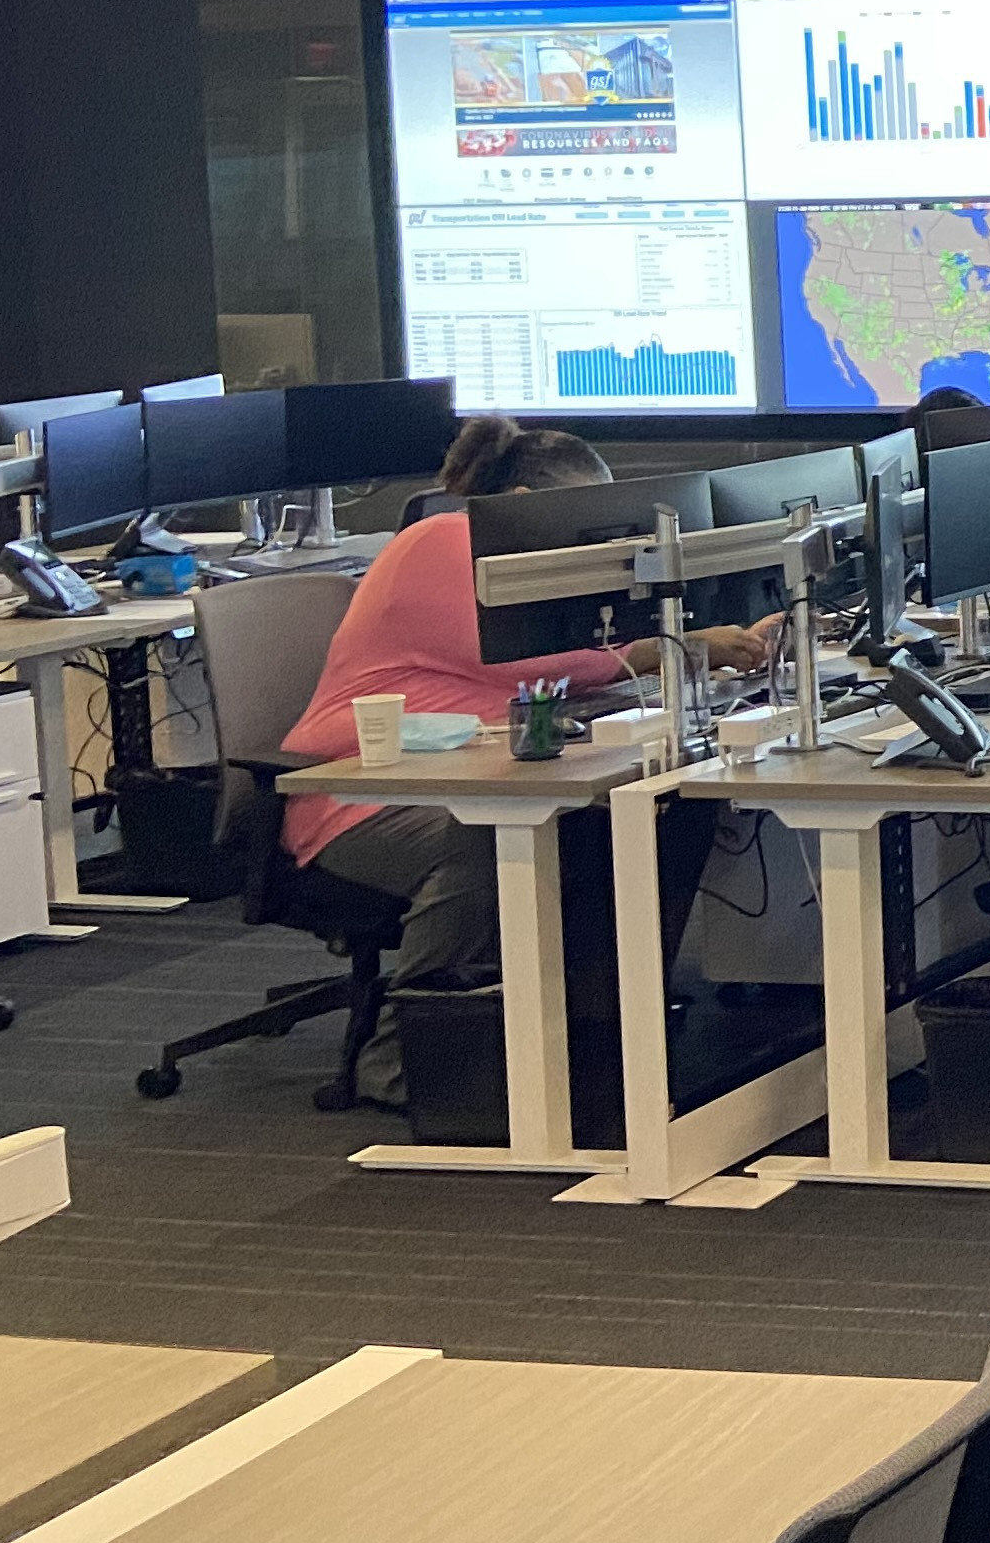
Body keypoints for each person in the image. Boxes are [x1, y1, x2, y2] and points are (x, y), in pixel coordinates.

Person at [278, 418, 776, 1103]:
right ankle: (404, 1060)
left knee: (638, 818)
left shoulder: (514, 559)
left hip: (484, 760)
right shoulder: (442, 541)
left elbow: (575, 661)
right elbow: (523, 654)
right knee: (489, 833)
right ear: (518, 502)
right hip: (368, 790)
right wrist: (678, 647)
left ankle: (587, 1031)